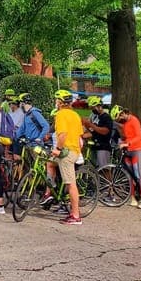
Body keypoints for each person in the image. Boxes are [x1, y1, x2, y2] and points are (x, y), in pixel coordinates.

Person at [52, 89, 84, 225]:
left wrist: (58, 149)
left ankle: (75, 215)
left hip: (66, 151)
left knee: (71, 184)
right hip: (74, 150)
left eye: (56, 100)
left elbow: (62, 135)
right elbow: (79, 138)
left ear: (59, 102)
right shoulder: (75, 115)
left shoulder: (61, 115)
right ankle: (51, 192)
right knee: (49, 163)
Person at [114, 105, 141, 210]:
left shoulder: (134, 120)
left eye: (119, 117)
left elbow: (139, 136)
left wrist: (127, 143)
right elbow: (127, 137)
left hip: (137, 150)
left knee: (138, 174)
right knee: (129, 175)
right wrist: (122, 142)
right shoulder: (125, 124)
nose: (119, 120)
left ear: (123, 114)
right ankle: (133, 198)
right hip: (129, 150)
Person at [81, 96, 113, 168]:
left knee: (104, 168)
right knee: (94, 167)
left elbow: (105, 131)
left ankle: (108, 179)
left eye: (93, 108)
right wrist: (86, 125)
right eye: (91, 108)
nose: (92, 110)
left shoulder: (106, 117)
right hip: (94, 145)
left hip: (103, 146)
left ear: (99, 106)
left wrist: (91, 125)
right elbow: (93, 131)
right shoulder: (95, 116)